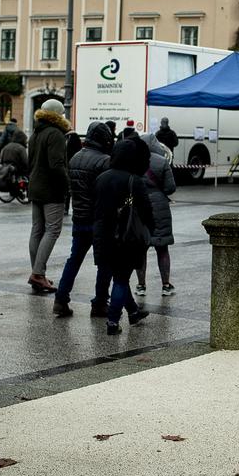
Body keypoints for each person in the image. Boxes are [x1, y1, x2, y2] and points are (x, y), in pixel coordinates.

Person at [93, 136, 154, 334]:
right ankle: (112, 321)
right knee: (121, 279)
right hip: (125, 238)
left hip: (103, 235)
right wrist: (149, 231)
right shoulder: (133, 180)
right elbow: (145, 210)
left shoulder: (102, 177)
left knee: (119, 276)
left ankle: (133, 312)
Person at [54, 122, 115, 318]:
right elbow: (106, 193)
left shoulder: (75, 158)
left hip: (79, 217)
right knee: (104, 263)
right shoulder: (105, 161)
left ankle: (60, 299)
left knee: (74, 259)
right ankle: (99, 304)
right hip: (98, 220)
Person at [27, 99, 69, 294]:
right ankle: (38, 274)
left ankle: (38, 273)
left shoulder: (36, 133)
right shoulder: (56, 134)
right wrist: (67, 186)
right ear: (58, 115)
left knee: (37, 229)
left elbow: (30, 162)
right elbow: (56, 165)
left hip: (35, 186)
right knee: (52, 230)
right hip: (51, 189)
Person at [135, 135, 177, 297]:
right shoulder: (162, 161)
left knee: (140, 248)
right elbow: (170, 187)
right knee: (162, 248)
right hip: (160, 206)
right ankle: (166, 285)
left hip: (140, 206)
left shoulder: (134, 161)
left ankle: (141, 286)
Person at [0, 128, 30, 196]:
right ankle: (24, 190)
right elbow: (25, 161)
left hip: (6, 167)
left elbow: (1, 158)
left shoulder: (6, 146)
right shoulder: (21, 148)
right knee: (28, 175)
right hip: (16, 168)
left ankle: (13, 190)